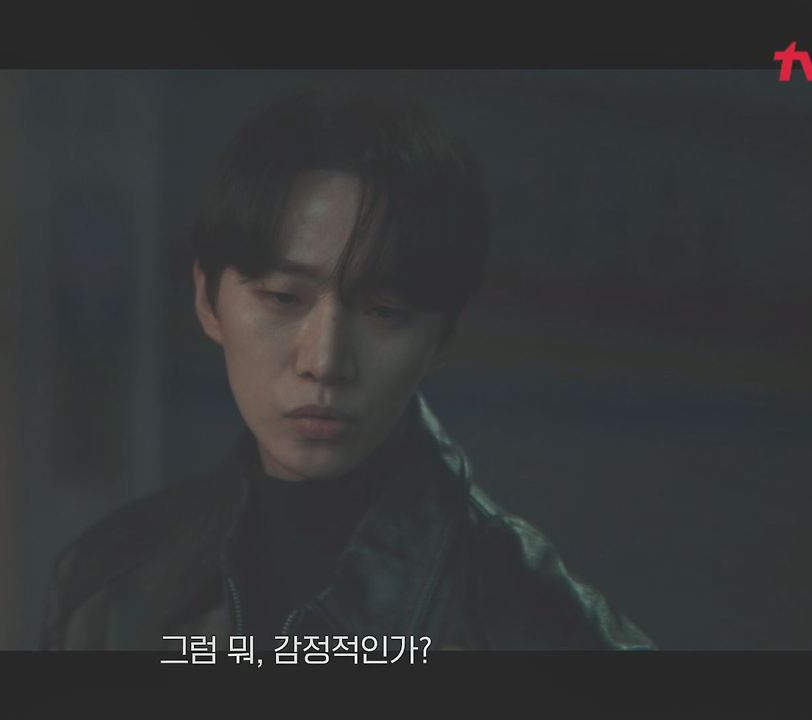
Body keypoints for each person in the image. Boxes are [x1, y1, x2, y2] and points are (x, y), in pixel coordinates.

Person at [41, 86, 654, 651]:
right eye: (283, 298)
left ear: (444, 334)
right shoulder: (110, 585)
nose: (325, 362)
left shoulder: (536, 623)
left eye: (384, 311)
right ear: (207, 300)